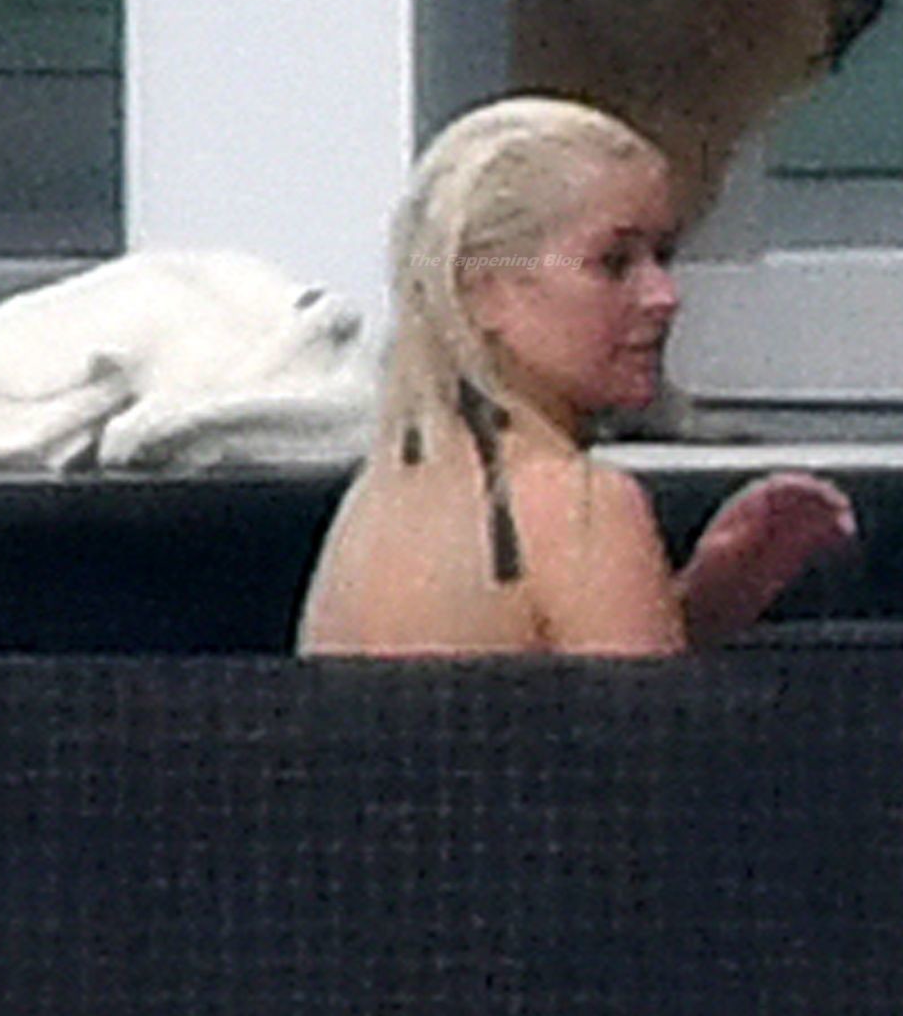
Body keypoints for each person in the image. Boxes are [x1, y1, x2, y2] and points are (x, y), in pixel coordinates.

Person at [295, 98, 856, 656]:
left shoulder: (376, 504)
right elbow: (646, 718)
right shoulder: (579, 508)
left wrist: (707, 602)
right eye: (614, 263)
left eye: (663, 256)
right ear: (483, 289)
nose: (665, 296)